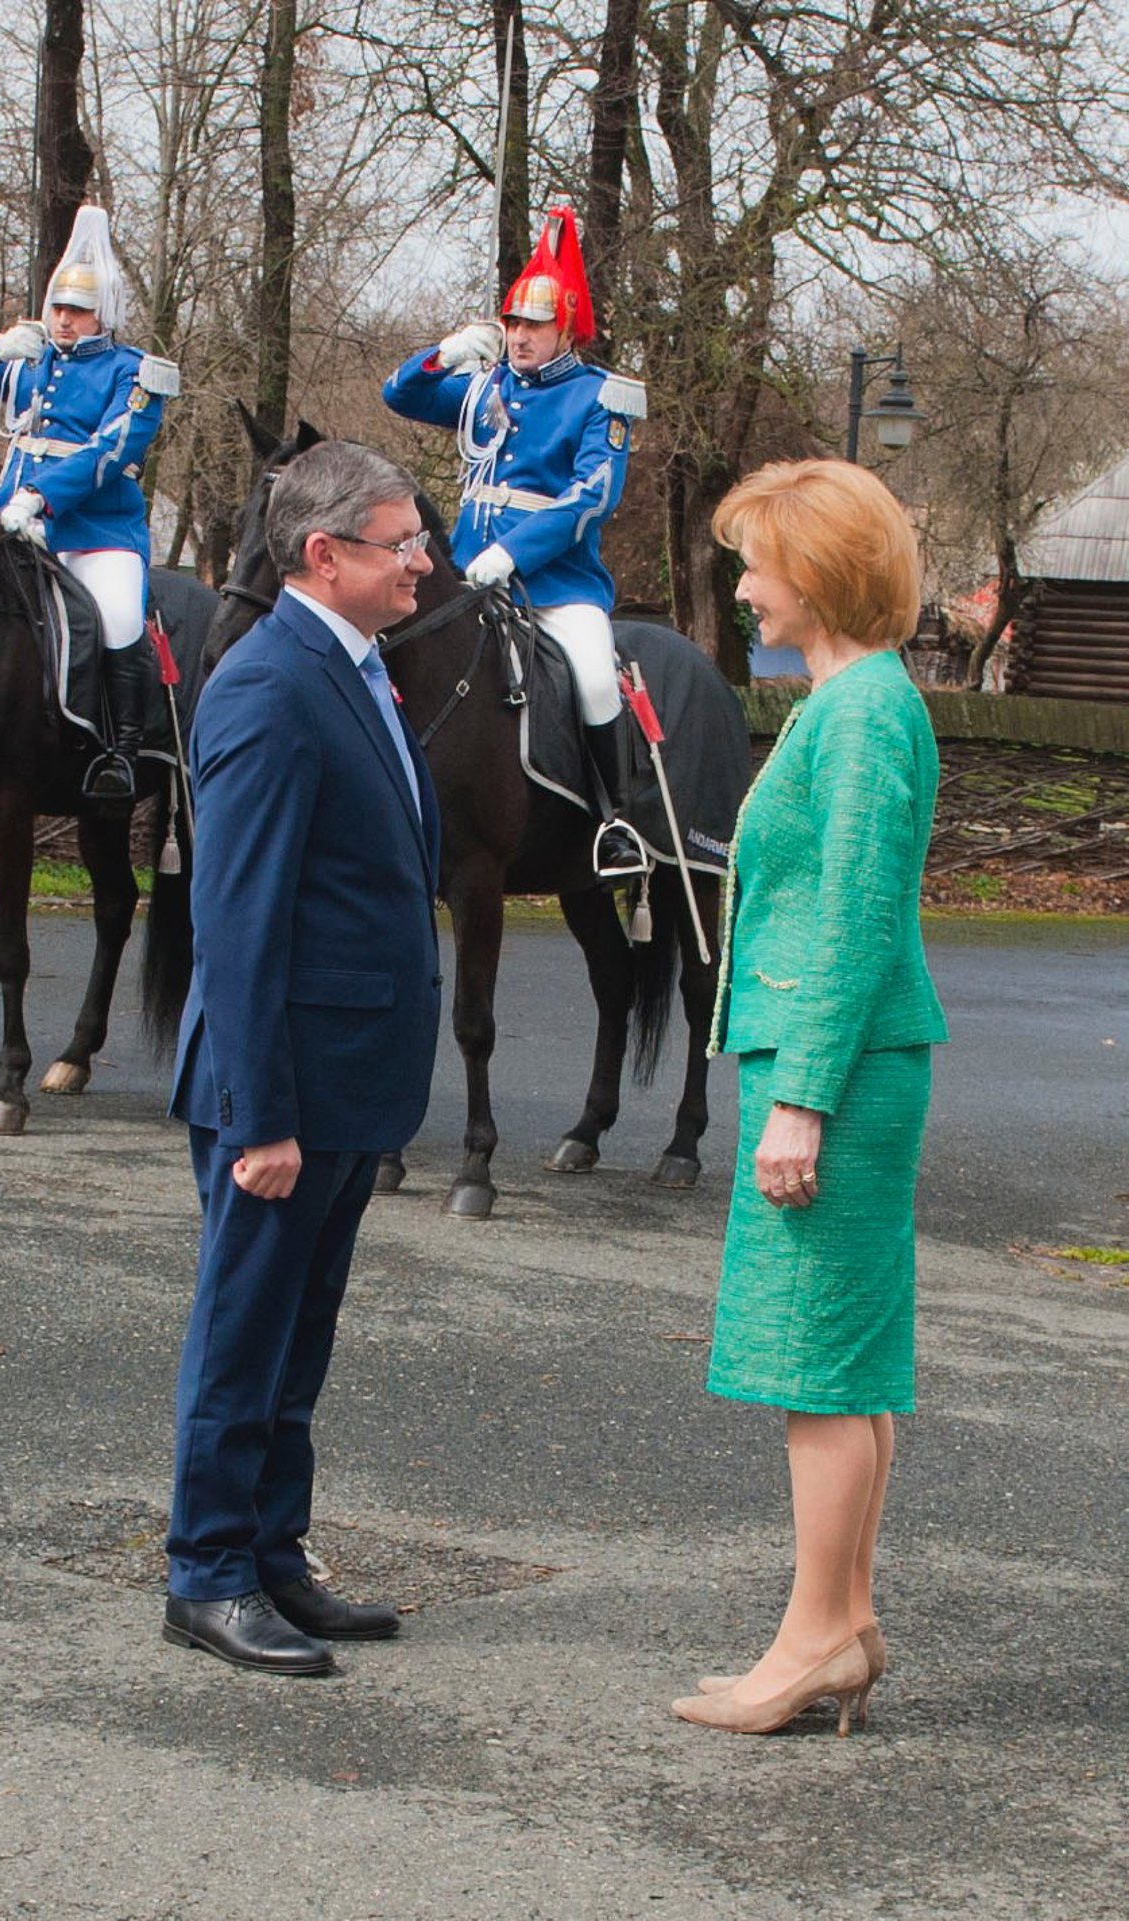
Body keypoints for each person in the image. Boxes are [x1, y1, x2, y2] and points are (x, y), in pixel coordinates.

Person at [670, 459, 948, 1738]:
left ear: (818, 572)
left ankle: (810, 1639)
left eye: (755, 563)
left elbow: (855, 917)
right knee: (843, 1362)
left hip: (828, 1070)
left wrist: (802, 1104)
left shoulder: (864, 712)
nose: (740, 588)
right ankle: (839, 1625)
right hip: (827, 1064)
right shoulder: (850, 701)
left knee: (817, 1370)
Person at [163, 440, 443, 1676]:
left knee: (297, 1337)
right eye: (402, 544)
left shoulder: (357, 667)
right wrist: (260, 1113)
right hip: (277, 1094)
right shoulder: (268, 683)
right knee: (244, 1334)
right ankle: (208, 1571)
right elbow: (234, 916)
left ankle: (274, 1554)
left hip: (344, 1083)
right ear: (322, 555)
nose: (423, 562)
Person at [382, 205, 648, 876]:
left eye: (533, 324)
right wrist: (444, 354)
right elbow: (399, 395)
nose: (519, 335)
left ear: (566, 329)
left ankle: (613, 823)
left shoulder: (599, 398)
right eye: (512, 323)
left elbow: (591, 496)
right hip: (467, 575)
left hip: (555, 583)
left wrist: (514, 552)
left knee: (593, 678)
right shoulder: (485, 388)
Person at [0, 205, 178, 802]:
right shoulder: (29, 361)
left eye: (77, 311)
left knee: (118, 619)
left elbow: (110, 450)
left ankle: (118, 754)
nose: (64, 320)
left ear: (103, 315)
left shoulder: (134, 372)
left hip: (95, 531)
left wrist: (39, 499)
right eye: (58, 308)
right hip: (9, 526)